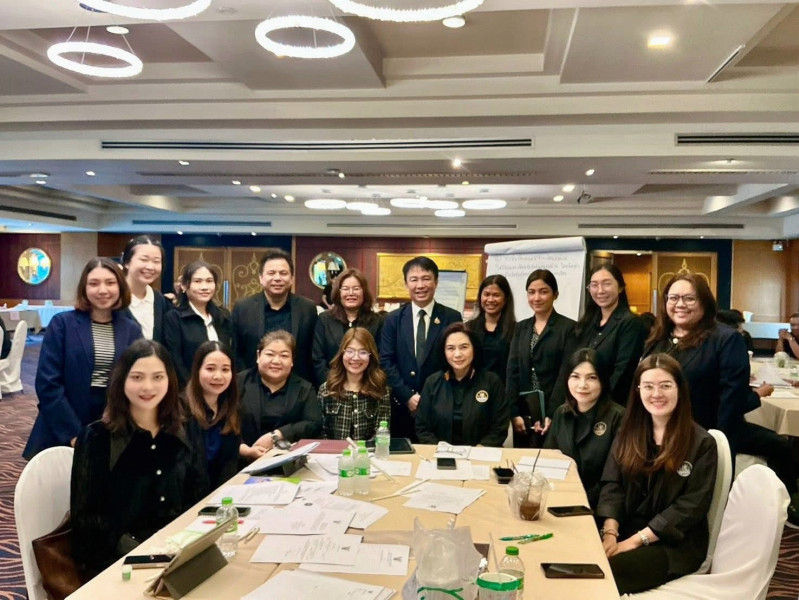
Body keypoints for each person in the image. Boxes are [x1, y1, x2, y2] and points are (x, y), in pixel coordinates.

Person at [70, 339, 208, 576]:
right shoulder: (97, 438)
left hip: (178, 551)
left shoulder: (186, 428)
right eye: (137, 377)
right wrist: (145, 554)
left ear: (170, 380)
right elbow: (87, 523)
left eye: (158, 377)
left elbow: (199, 493)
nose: (148, 387)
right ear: (121, 380)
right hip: (119, 561)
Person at [596, 354, 717, 595]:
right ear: (638, 391)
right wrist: (610, 533)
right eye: (648, 386)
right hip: (626, 528)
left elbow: (690, 506)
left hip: (673, 543)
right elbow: (613, 484)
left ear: (680, 389)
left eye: (665, 386)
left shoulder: (702, 443)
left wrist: (633, 542)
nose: (656, 394)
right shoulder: (627, 432)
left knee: (604, 573)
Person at [23, 257, 142, 459]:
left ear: (120, 287)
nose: (102, 290)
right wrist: (73, 434)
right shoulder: (62, 324)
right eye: (94, 283)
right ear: (84, 289)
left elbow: (135, 379)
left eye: (110, 283)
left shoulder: (131, 329)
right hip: (64, 419)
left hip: (112, 420)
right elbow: (47, 383)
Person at [643, 274, 750, 454]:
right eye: (673, 298)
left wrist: (717, 447)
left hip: (701, 442)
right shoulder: (657, 338)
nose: (680, 304)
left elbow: (731, 404)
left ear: (704, 302)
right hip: (654, 438)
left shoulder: (726, 340)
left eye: (689, 298)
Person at [379, 256, 462, 440]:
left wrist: (430, 398)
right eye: (414, 279)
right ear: (406, 284)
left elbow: (455, 361)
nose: (420, 285)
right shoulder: (393, 319)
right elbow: (386, 361)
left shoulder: (451, 317)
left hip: (441, 406)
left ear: (436, 282)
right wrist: (407, 396)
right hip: (401, 407)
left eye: (426, 278)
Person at [545, 348, 624, 509]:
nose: (582, 385)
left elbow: (615, 478)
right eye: (575, 376)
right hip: (561, 498)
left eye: (592, 378)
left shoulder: (619, 417)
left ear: (603, 381)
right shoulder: (561, 413)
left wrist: (580, 499)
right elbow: (549, 459)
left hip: (599, 505)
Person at [506, 269, 575, 448]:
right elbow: (512, 371)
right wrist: (514, 412)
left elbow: (565, 373)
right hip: (523, 414)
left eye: (543, 292)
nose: (536, 298)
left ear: (555, 295)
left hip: (555, 410)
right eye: (531, 292)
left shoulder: (568, 328)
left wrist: (551, 413)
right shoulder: (521, 328)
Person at [232, 248, 318, 383]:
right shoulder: (243, 308)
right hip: (251, 386)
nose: (277, 278)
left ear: (291, 278)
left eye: (283, 273)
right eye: (271, 273)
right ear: (261, 278)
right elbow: (236, 353)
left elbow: (312, 353)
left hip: (297, 386)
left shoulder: (307, 309)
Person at [416, 323, 508, 447]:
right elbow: (423, 427)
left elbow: (499, 427)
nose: (457, 354)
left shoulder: (492, 382)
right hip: (439, 454)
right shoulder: (432, 383)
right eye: (451, 348)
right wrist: (440, 450)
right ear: (443, 351)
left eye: (464, 347)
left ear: (474, 348)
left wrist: (479, 450)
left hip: (481, 454)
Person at [565, 264, 646, 405]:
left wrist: (598, 403)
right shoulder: (586, 324)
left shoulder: (631, 323)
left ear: (620, 287)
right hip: (582, 403)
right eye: (594, 285)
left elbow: (623, 372)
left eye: (606, 284)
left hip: (611, 406)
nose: (600, 290)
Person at [238, 331, 322, 461]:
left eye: (284, 356)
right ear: (258, 356)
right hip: (242, 461)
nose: (276, 361)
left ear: (292, 361)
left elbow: (313, 423)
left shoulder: (304, 388)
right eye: (270, 354)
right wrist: (244, 449)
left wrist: (278, 434)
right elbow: (224, 421)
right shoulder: (239, 382)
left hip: (289, 462)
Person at [163, 261, 233, 387]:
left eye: (209, 281)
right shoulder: (174, 318)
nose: (204, 287)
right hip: (188, 390)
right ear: (184, 286)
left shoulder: (223, 316)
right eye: (197, 281)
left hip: (221, 386)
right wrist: (192, 389)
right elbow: (175, 360)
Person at [183, 341, 241, 488]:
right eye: (210, 369)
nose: (218, 376)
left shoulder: (232, 407)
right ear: (197, 370)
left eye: (225, 369)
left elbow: (230, 464)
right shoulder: (181, 410)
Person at [312, 268, 383, 387]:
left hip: (368, 388)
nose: (351, 293)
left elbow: (380, 359)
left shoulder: (378, 321)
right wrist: (334, 385)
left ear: (364, 292)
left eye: (356, 288)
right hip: (331, 387)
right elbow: (318, 359)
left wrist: (360, 387)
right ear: (338, 292)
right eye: (345, 289)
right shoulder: (324, 320)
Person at [318, 327, 390, 440]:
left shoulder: (380, 390)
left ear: (371, 356)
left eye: (363, 352)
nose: (356, 357)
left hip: (368, 450)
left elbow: (381, 433)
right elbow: (320, 432)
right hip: (333, 451)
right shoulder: (327, 389)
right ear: (342, 353)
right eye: (350, 351)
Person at [121, 235, 173, 344]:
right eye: (144, 260)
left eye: (156, 261)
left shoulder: (160, 301)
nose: (150, 267)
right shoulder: (113, 298)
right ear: (127, 262)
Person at [466, 274, 516, 383]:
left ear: (505, 299)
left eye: (496, 295)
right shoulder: (469, 328)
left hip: (504, 389)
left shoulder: (516, 330)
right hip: (473, 388)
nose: (490, 299)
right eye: (486, 294)